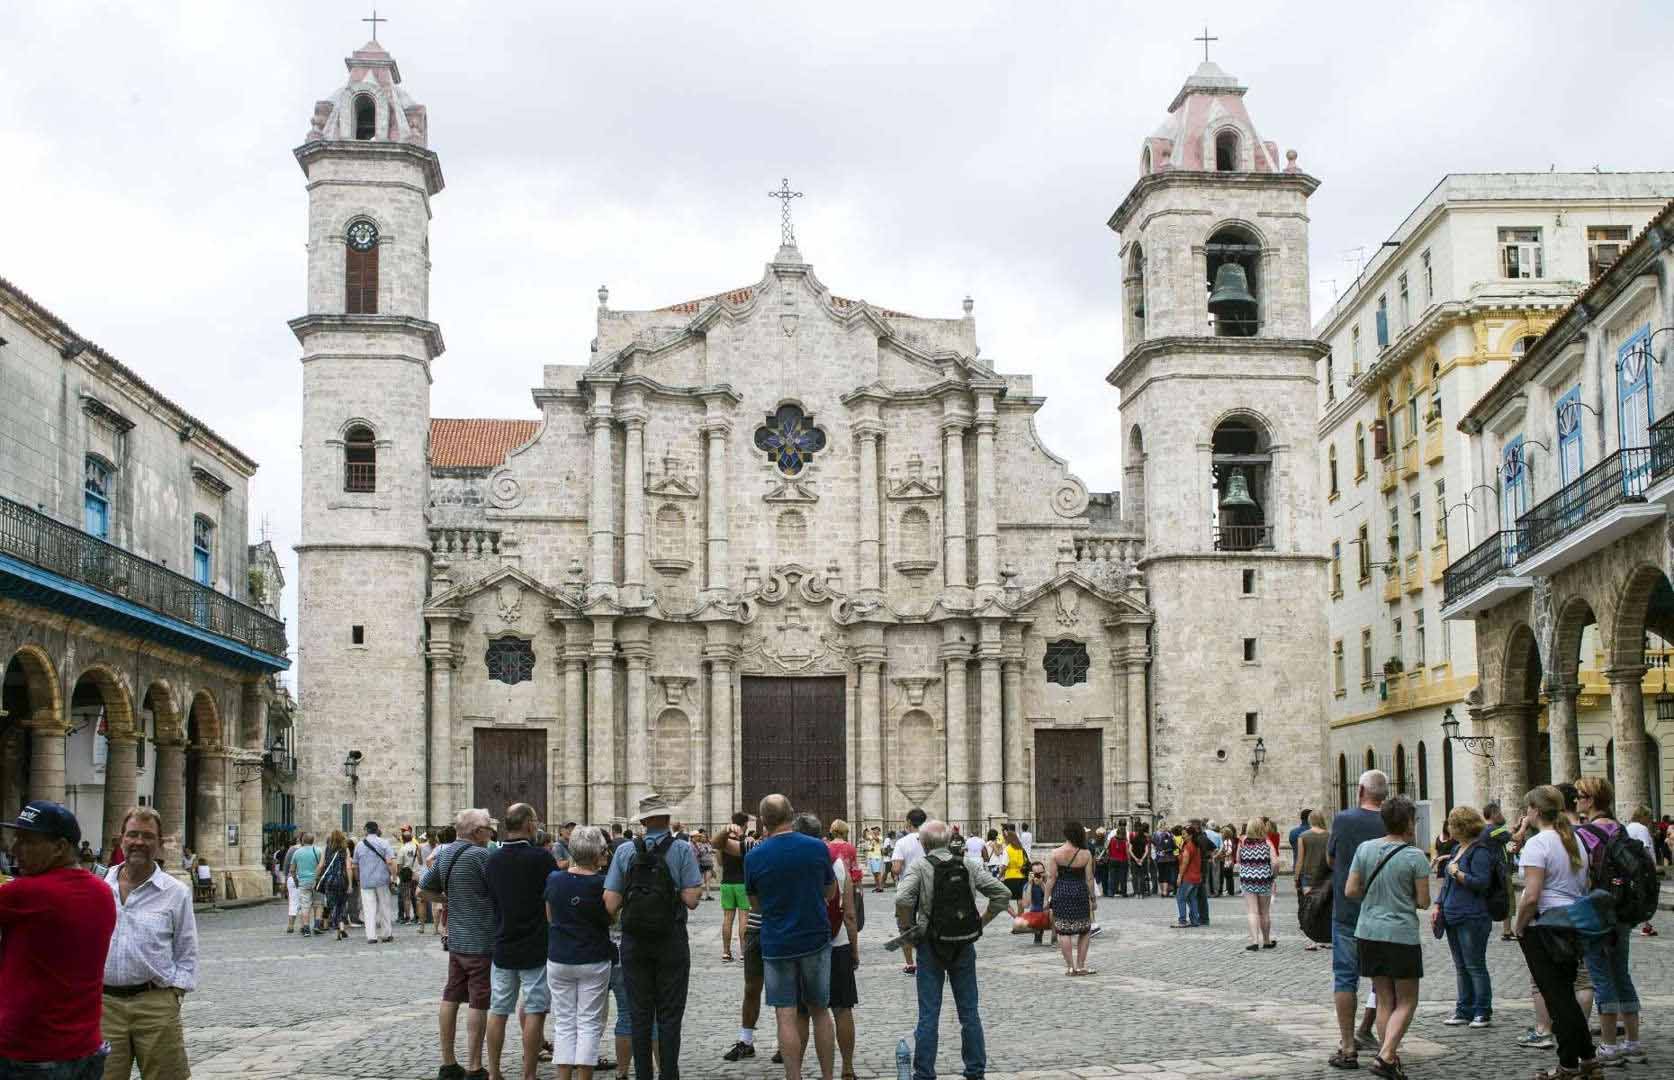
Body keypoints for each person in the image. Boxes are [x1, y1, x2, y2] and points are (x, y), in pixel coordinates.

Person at [0, 800, 118, 1078]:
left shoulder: (30, 893)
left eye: (27, 841)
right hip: (85, 1046)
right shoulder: (102, 891)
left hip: (31, 1051)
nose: (15, 850)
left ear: (60, 847)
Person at [894, 819, 1011, 1080]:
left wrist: (908, 930)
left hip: (931, 946)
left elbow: (902, 898)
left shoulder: (921, 866)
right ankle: (975, 1070)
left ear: (923, 843)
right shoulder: (969, 865)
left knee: (929, 1014)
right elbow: (1001, 894)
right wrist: (981, 922)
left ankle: (924, 1073)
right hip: (963, 944)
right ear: (949, 841)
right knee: (969, 1012)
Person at [603, 793, 703, 1080]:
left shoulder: (624, 852)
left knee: (639, 1013)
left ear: (644, 822)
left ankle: (642, 1074)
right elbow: (693, 899)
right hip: (671, 939)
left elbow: (610, 902)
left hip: (635, 942)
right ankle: (669, 1074)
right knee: (670, 1015)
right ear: (668, 819)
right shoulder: (682, 849)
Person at [101, 806, 198, 1079]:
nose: (139, 842)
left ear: (159, 842)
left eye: (147, 836)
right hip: (104, 1006)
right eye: (132, 835)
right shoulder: (98, 887)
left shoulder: (175, 893)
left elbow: (186, 950)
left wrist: (173, 994)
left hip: (155, 1003)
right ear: (121, 839)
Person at [745, 798, 837, 1080]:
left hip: (777, 942)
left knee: (785, 1014)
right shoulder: (817, 847)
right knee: (820, 1011)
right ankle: (827, 1076)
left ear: (762, 821)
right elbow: (830, 892)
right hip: (815, 939)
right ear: (792, 815)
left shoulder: (754, 856)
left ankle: (793, 1077)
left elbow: (755, 904)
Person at [1513, 785, 1598, 1078]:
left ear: (1535, 811)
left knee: (1558, 999)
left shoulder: (1538, 844)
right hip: (1571, 922)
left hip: (1545, 925)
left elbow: (1532, 894)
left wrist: (1519, 925)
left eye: (1527, 809)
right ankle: (1588, 1060)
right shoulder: (1573, 840)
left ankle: (1568, 1064)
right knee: (1565, 995)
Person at [1344, 795, 1431, 1079]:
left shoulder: (1365, 849)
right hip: (1400, 934)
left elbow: (1350, 890)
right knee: (1406, 1000)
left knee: (1384, 999)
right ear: (1408, 822)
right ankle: (1385, 1055)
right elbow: (1423, 901)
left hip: (1368, 931)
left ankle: (1389, 1055)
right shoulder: (1415, 856)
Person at [420, 807, 496, 1080]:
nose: (491, 832)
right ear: (478, 832)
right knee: (479, 1001)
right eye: (488, 827)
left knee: (451, 995)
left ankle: (449, 1063)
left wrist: (448, 900)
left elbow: (423, 890)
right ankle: (475, 1067)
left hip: (456, 940)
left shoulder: (446, 852)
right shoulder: (483, 856)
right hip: (481, 941)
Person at [1574, 777, 1646, 1067]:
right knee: (1621, 974)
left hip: (1596, 912)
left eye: (1579, 796)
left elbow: (1580, 875)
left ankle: (1608, 1045)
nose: (1576, 800)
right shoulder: (1621, 829)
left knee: (1600, 976)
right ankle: (1633, 1042)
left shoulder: (1584, 834)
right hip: (1623, 912)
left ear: (1590, 800)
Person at [483, 803, 556, 1080]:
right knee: (536, 1008)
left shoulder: (492, 860)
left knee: (498, 1009)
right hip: (535, 943)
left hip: (503, 941)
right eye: (535, 820)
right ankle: (528, 1074)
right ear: (527, 824)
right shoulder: (542, 859)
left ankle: (495, 1072)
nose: (537, 825)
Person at [1326, 768, 1390, 1070]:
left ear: (1361, 791)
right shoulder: (1393, 822)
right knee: (1383, 982)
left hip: (1348, 911)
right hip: (1384, 911)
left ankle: (1348, 1046)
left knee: (1345, 978)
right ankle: (1385, 1049)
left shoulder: (1344, 820)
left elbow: (1331, 859)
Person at [546, 825, 613, 1080]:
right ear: (598, 853)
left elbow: (550, 916)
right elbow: (610, 916)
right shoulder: (602, 883)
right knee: (589, 1022)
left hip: (560, 956)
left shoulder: (554, 879)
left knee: (564, 1023)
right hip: (593, 956)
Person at [1434, 805, 1494, 1028]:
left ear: (1459, 826)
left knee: (1475, 964)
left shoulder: (1479, 852)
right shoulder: (1457, 848)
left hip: (1472, 915)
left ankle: (1482, 1010)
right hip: (1453, 914)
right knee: (1461, 965)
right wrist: (1439, 904)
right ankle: (1464, 1008)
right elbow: (1447, 884)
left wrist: (1458, 873)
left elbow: (1481, 883)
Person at [716, 815, 767, 1064]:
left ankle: (759, 1041)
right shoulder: (752, 847)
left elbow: (718, 850)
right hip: (767, 929)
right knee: (758, 989)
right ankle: (747, 1041)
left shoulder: (751, 847)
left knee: (762, 991)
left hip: (732, 888)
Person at [1045, 820, 1097, 975]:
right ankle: (1081, 966)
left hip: (1061, 891)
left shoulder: (1056, 853)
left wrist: (1046, 899)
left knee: (1063, 931)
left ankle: (1070, 967)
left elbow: (1051, 878)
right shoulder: (1086, 854)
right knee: (1084, 930)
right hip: (1080, 892)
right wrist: (1093, 898)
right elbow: (1089, 878)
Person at [890, 808, 929, 974]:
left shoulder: (902, 842)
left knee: (906, 926)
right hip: (928, 887)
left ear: (908, 822)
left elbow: (897, 869)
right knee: (927, 924)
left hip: (908, 889)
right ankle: (927, 960)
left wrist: (893, 870)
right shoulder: (930, 840)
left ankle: (910, 963)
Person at [1238, 815, 1277, 950]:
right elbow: (1275, 863)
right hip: (1264, 879)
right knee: (1264, 912)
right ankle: (1266, 941)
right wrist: (1273, 875)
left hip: (1248, 879)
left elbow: (1238, 859)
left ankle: (1254, 941)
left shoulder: (1242, 842)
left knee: (1252, 911)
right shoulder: (1267, 843)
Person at [355, 821, 397, 944]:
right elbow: (392, 862)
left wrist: (358, 880)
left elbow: (355, 865)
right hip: (382, 880)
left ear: (366, 830)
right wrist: (394, 877)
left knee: (368, 909)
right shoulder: (384, 843)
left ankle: (371, 936)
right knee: (385, 907)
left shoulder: (359, 845)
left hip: (366, 881)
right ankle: (386, 934)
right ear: (377, 829)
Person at [719, 811, 752, 963]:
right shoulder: (746, 841)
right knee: (744, 918)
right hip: (742, 883)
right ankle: (744, 952)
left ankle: (726, 952)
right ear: (744, 824)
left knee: (727, 918)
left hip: (726, 882)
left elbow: (719, 862)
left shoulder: (723, 841)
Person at [1296, 809, 1329, 950]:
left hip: (1308, 876)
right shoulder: (1330, 835)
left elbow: (1300, 859)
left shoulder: (1303, 836)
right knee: (1325, 908)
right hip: (1326, 875)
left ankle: (1313, 939)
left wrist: (1296, 877)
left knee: (1310, 909)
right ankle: (1326, 937)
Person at [316, 830, 354, 940]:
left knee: (333, 905)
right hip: (342, 880)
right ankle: (341, 928)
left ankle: (338, 928)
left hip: (330, 880)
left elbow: (321, 865)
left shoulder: (326, 849)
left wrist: (315, 878)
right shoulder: (345, 850)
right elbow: (348, 867)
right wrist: (350, 884)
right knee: (341, 905)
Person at [1626, 805, 1658, 937]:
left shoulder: (1628, 827)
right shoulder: (1642, 828)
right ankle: (1645, 924)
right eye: (1649, 817)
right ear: (1643, 816)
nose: (1650, 820)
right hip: (1643, 867)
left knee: (1637, 894)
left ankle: (1645, 924)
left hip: (1630, 866)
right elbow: (1645, 848)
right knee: (1647, 894)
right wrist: (1653, 866)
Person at [288, 831, 321, 935]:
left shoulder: (297, 852)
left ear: (302, 840)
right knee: (318, 904)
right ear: (313, 841)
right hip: (317, 881)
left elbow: (292, 870)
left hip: (303, 882)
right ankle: (316, 925)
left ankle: (306, 928)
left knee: (305, 906)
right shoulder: (318, 851)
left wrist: (296, 881)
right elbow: (321, 866)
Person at [1170, 821, 1202, 928]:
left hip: (1188, 877)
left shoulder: (1188, 847)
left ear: (1190, 835)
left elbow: (1185, 863)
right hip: (1196, 876)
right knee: (1192, 898)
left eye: (1184, 834)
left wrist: (1179, 876)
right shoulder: (1196, 845)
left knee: (1180, 897)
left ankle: (1182, 920)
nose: (1182, 836)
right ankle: (1195, 920)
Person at [398, 825, 422, 926]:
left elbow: (399, 864)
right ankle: (417, 916)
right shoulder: (417, 847)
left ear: (403, 839)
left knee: (406, 897)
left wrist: (398, 875)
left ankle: (407, 917)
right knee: (416, 897)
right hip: (416, 874)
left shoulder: (402, 849)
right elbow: (420, 861)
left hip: (406, 875)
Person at [1153, 821, 1176, 898]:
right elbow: (1174, 846)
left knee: (1161, 874)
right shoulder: (1170, 834)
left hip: (1159, 857)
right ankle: (1165, 892)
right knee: (1167, 874)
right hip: (1169, 857)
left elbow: (1154, 845)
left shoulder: (1156, 834)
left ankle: (1163, 891)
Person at [1128, 822, 1151, 898]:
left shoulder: (1133, 839)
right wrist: (1141, 859)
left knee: (1134, 876)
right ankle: (1141, 893)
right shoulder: (1145, 840)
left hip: (1134, 860)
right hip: (1142, 860)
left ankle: (1136, 893)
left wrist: (1135, 858)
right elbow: (1146, 850)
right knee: (1141, 876)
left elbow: (1130, 850)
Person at [1107, 826, 1129, 898]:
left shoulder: (1112, 839)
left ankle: (1111, 892)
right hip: (1123, 860)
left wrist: (1110, 857)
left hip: (1113, 859)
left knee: (1112, 877)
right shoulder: (1125, 841)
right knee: (1123, 877)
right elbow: (1127, 852)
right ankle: (1123, 892)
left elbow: (1108, 849)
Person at [863, 827, 886, 893]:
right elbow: (865, 837)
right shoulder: (871, 837)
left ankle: (880, 887)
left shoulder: (880, 837)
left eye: (875, 830)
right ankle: (877, 887)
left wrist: (871, 833)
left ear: (878, 831)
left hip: (876, 857)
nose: (873, 831)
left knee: (878, 873)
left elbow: (876, 839)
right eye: (873, 830)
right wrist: (865, 832)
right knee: (874, 873)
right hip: (871, 857)